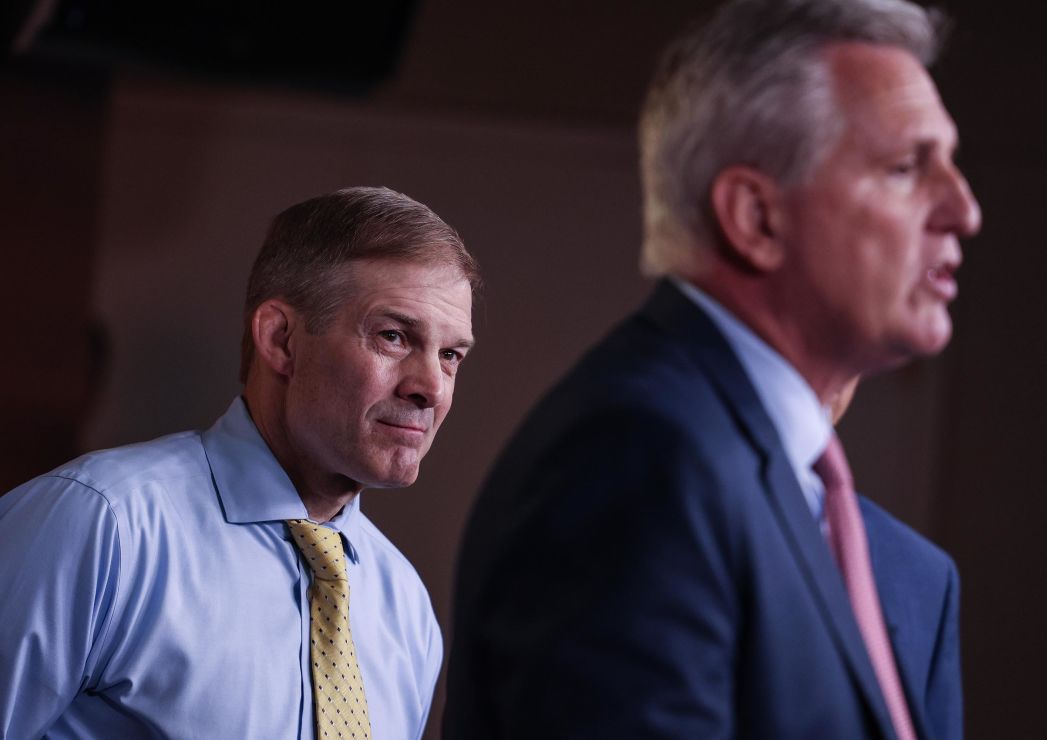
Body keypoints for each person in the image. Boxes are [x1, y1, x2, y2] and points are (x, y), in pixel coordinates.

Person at [444, 0, 979, 737]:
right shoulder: (636, 457)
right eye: (903, 168)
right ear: (756, 218)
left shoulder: (740, 470)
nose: (964, 209)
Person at [0, 186, 480, 739]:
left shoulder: (406, 609)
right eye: (394, 336)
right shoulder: (100, 525)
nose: (430, 389)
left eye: (450, 356)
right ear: (280, 340)